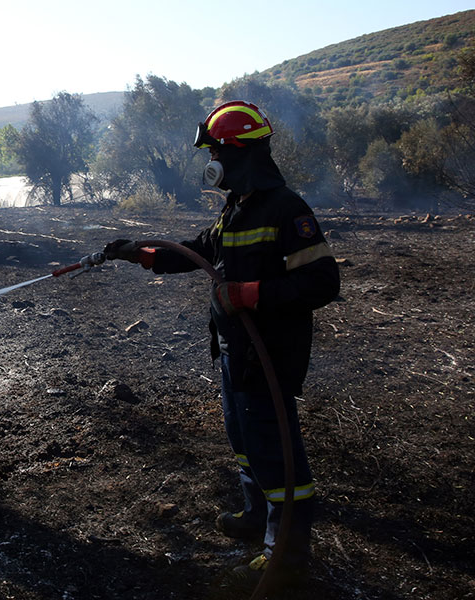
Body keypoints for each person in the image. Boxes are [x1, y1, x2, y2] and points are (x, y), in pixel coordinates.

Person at [104, 100, 340, 592]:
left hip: (270, 357)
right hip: (235, 353)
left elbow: (322, 283)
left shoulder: (286, 209)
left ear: (236, 152)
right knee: (245, 444)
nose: (209, 162)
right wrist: (145, 256)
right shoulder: (239, 208)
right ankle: (257, 518)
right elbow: (203, 250)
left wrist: (248, 294)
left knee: (278, 458)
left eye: (213, 151)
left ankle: (287, 557)